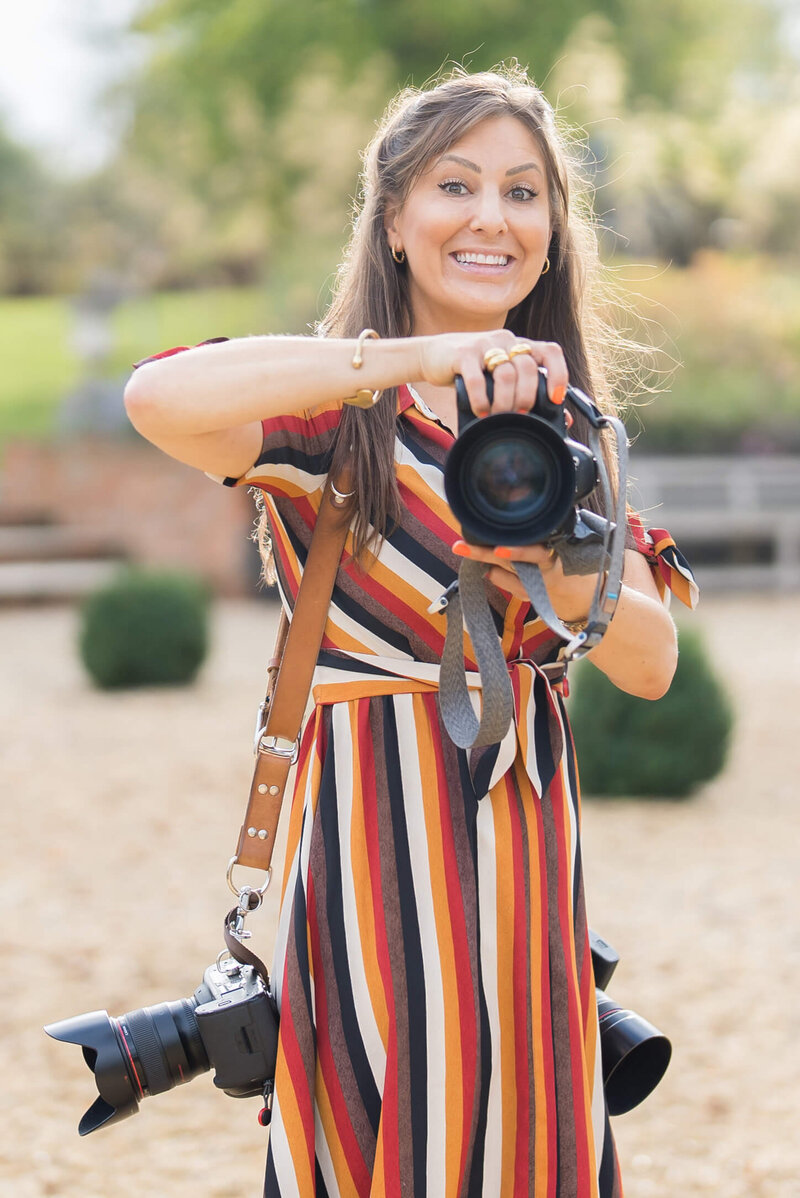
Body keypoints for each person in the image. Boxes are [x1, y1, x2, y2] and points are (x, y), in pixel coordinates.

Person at [125, 63, 697, 1198]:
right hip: (360, 866)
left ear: (552, 230)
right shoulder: (332, 422)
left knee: (524, 1147)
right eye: (455, 185)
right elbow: (156, 397)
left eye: (524, 193)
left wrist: (549, 563)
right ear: (393, 219)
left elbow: (649, 661)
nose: (492, 217)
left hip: (525, 876)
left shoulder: (572, 438)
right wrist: (411, 359)